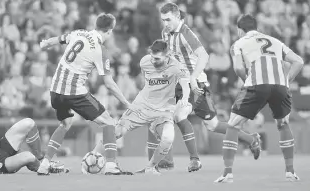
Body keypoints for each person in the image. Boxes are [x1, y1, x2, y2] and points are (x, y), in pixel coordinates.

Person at [147, 2, 261, 172]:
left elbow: (204, 56)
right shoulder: (166, 33)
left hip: (197, 84)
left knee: (212, 125)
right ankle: (180, 161)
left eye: (168, 20)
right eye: (163, 20)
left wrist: (192, 78)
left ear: (177, 17)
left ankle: (250, 139)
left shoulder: (186, 34)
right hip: (179, 84)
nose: (165, 23)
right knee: (170, 116)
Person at [38, 13, 132, 175]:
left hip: (55, 90)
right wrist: (127, 103)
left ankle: (44, 164)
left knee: (65, 123)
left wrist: (45, 44)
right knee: (109, 122)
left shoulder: (79, 33)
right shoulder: (100, 50)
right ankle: (111, 166)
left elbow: (58, 39)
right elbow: (109, 84)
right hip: (74, 91)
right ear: (109, 32)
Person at [215, 14, 303, 183]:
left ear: (239, 30)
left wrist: (246, 79)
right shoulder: (275, 41)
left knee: (232, 125)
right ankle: (290, 172)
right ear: (256, 27)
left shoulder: (238, 43)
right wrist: (286, 80)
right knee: (283, 124)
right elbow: (298, 61)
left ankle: (227, 174)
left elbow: (238, 67)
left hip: (257, 84)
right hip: (280, 86)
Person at [93, 39, 192, 175]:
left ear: (167, 55)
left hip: (163, 111)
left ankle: (150, 167)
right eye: (152, 57)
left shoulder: (176, 67)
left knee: (168, 138)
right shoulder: (144, 62)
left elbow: (186, 85)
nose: (153, 61)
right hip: (141, 106)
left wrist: (185, 98)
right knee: (117, 131)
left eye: (157, 58)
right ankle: (92, 156)